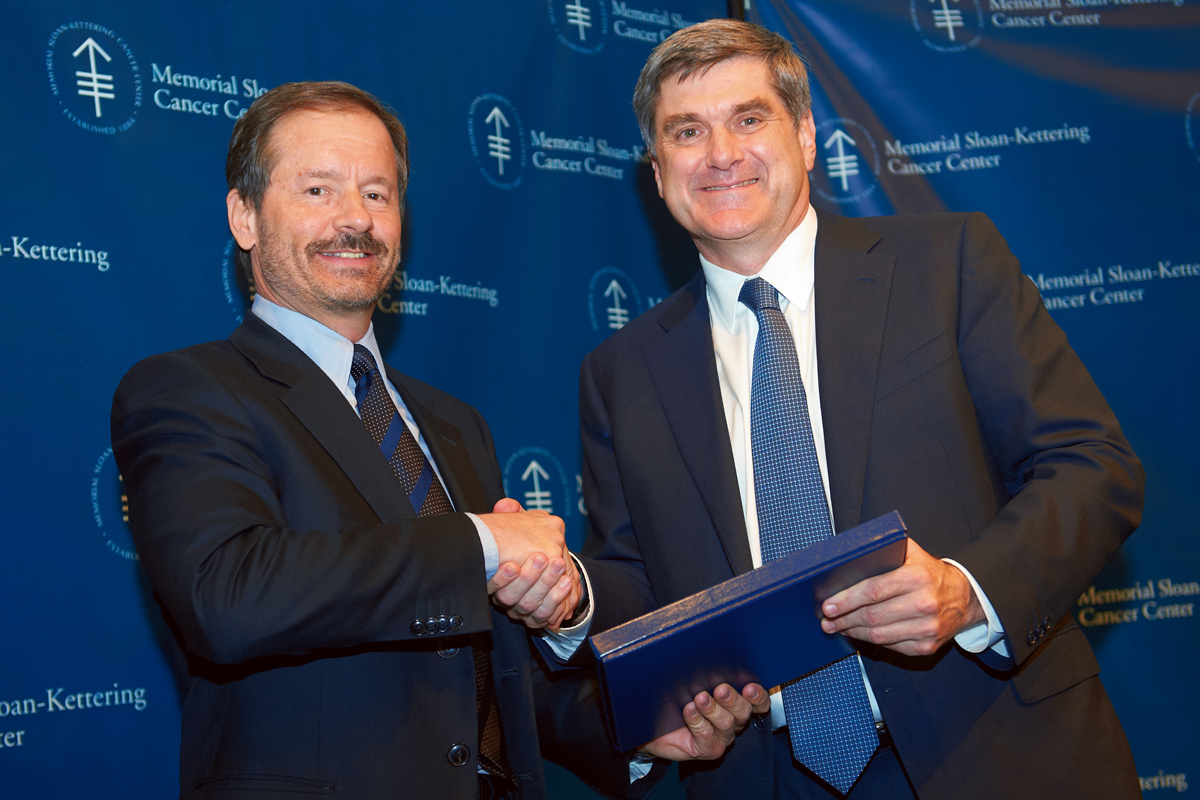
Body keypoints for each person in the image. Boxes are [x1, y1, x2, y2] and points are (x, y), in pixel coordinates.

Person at [111, 81, 749, 800]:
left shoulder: (452, 424)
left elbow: (483, 674)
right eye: (318, 190)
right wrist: (481, 544)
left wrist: (629, 730)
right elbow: (226, 596)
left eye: (377, 194)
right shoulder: (190, 390)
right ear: (245, 216)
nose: (356, 219)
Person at [564, 19, 1145, 800]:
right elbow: (636, 587)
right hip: (766, 778)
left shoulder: (947, 265)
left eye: (749, 118)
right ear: (659, 172)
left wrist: (968, 590)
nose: (722, 153)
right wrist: (632, 671)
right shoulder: (620, 373)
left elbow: (1093, 467)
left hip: (1000, 750)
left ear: (806, 137)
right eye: (687, 131)